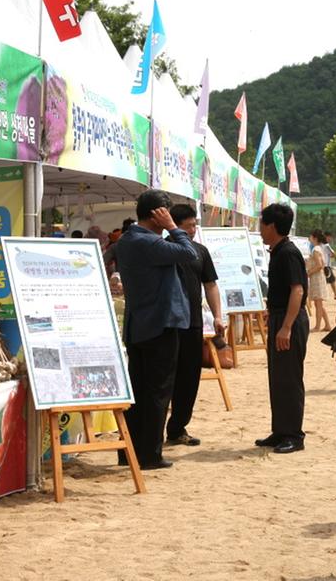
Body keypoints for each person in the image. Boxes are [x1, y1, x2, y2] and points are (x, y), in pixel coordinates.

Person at [114, 190, 198, 470]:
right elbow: (189, 253)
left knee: (138, 391)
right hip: (160, 324)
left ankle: (128, 452)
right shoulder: (148, 241)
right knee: (158, 392)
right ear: (157, 214)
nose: (170, 218)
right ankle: (150, 454)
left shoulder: (127, 239)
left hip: (139, 324)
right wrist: (173, 227)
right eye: (166, 212)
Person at [165, 204, 224, 447]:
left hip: (194, 324)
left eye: (194, 225)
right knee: (165, 379)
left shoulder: (200, 251)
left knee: (189, 378)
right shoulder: (162, 250)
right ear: (174, 226)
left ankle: (177, 428)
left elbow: (210, 285)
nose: (193, 230)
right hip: (168, 325)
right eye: (188, 226)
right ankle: (153, 431)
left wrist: (218, 316)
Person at [256, 203, 310, 454]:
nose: (260, 229)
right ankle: (280, 430)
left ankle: (293, 435)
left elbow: (297, 290)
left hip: (290, 320)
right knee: (278, 378)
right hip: (280, 317)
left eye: (262, 224)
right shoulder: (278, 251)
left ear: (272, 226)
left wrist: (286, 327)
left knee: (289, 378)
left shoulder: (288, 253)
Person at [306, 230, 333, 332]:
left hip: (317, 278)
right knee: (319, 303)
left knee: (318, 303)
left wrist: (309, 272)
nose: (309, 238)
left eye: (310, 236)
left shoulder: (316, 249)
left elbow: (319, 265)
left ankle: (317, 326)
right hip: (318, 277)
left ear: (315, 238)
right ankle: (327, 325)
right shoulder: (318, 248)